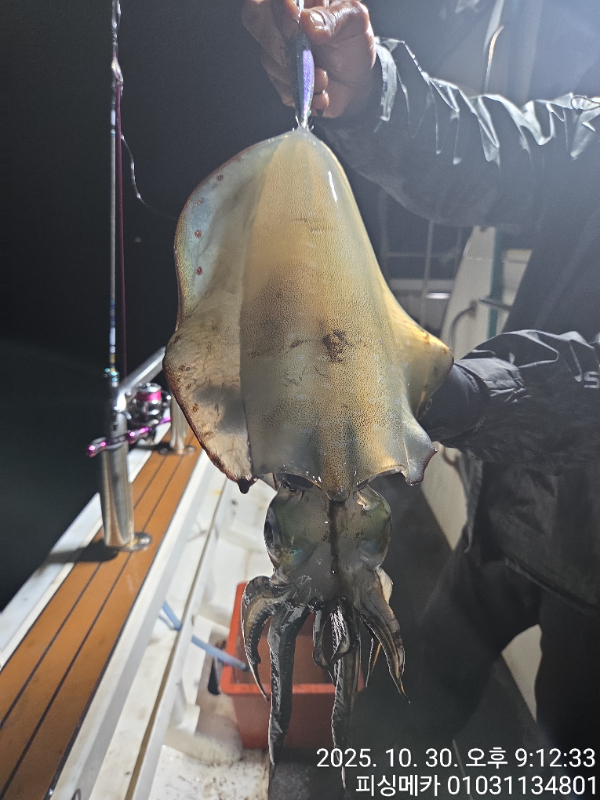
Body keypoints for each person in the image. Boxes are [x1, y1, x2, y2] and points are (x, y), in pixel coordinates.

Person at [242, 0, 600, 758]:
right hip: (509, 512)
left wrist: (479, 394)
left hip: (594, 576)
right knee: (413, 694)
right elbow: (492, 147)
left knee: (569, 748)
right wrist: (371, 89)